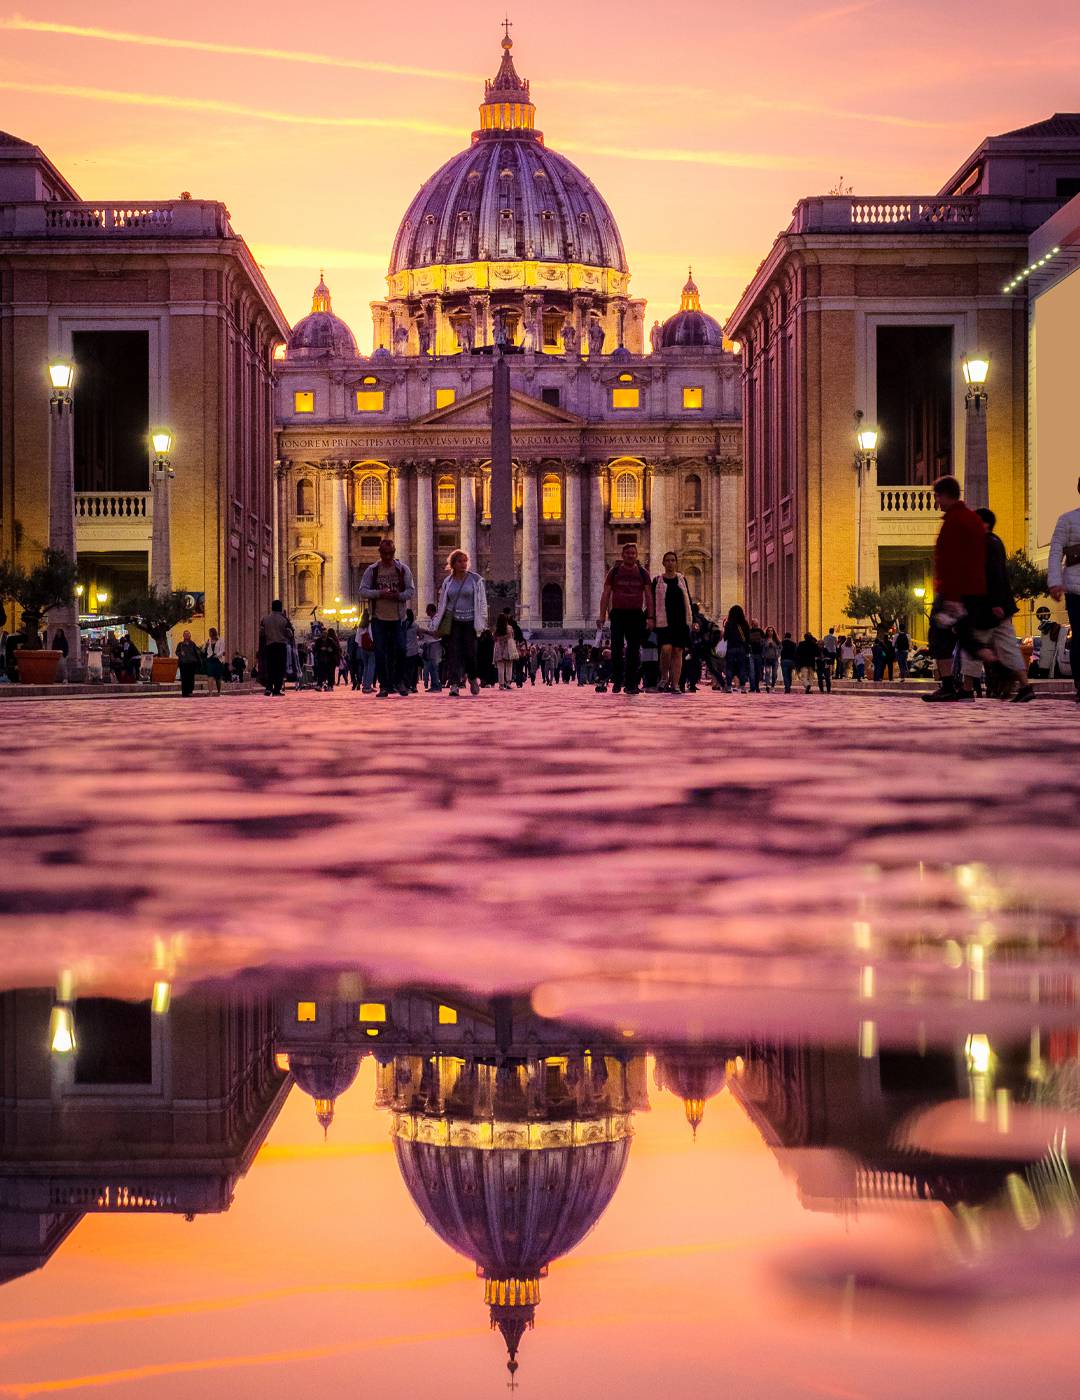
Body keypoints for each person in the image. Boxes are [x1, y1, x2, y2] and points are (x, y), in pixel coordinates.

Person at [923, 475, 987, 703]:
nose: (936, 501)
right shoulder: (973, 519)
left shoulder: (954, 522)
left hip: (953, 592)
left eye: (937, 496)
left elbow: (949, 561)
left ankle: (948, 685)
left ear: (946, 495)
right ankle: (969, 685)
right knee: (968, 639)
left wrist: (950, 596)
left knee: (939, 636)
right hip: (973, 591)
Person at [974, 507, 1035, 703]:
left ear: (984, 523)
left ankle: (968, 688)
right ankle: (1024, 686)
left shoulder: (987, 543)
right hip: (996, 607)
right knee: (1008, 648)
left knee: (974, 646)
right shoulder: (995, 541)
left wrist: (996, 603)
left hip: (992, 609)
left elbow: (994, 575)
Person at [358, 537, 416, 698]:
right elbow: (362, 591)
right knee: (380, 652)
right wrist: (379, 593)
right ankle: (384, 685)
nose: (388, 557)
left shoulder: (403, 570)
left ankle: (399, 682)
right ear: (380, 553)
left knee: (401, 650)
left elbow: (410, 591)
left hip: (398, 618)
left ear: (394, 552)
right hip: (378, 618)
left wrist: (398, 595)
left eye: (391, 553)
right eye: (385, 553)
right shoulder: (372, 570)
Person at [597, 542, 654, 696]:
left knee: (633, 651)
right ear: (622, 555)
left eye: (633, 553)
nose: (631, 555)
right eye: (628, 553)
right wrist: (602, 615)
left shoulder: (643, 573)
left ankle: (631, 684)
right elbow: (605, 594)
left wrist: (650, 617)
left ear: (637, 555)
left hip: (636, 614)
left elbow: (649, 596)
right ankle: (617, 679)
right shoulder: (614, 572)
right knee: (616, 649)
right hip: (618, 614)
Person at [431, 549, 487, 697]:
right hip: (454, 622)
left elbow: (482, 603)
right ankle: (454, 684)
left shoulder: (476, 580)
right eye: (460, 561)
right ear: (453, 564)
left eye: (465, 561)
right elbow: (442, 603)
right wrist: (436, 623)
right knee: (453, 654)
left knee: (470, 653)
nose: (463, 564)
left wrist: (483, 621)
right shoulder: (447, 582)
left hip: (470, 622)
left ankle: (472, 678)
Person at [1048, 474, 1080, 703]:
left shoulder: (1066, 519)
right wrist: (1055, 581)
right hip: (1076, 589)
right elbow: (1056, 552)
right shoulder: (1067, 520)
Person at [653, 552, 693, 695]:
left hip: (680, 621)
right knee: (666, 649)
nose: (670, 563)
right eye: (667, 560)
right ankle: (664, 676)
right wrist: (650, 618)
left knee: (678, 651)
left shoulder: (682, 579)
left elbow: (688, 599)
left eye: (672, 560)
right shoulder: (657, 580)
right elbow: (651, 602)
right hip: (664, 621)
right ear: (663, 563)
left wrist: (693, 620)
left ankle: (675, 684)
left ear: (676, 562)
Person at [259, 599, 294, 696]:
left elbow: (261, 633)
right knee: (280, 668)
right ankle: (277, 689)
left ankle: (268, 688)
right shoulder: (284, 619)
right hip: (280, 646)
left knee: (270, 668)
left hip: (269, 646)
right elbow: (290, 633)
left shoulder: (265, 619)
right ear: (280, 608)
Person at [723, 605, 751, 693]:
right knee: (742, 667)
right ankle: (742, 686)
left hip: (731, 647)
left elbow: (725, 637)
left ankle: (729, 686)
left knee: (730, 667)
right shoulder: (744, 623)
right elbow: (748, 637)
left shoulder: (729, 623)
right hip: (741, 648)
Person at [418, 603, 443, 692]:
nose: (426, 612)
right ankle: (434, 684)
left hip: (435, 643)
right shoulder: (432, 620)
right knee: (432, 666)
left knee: (434, 666)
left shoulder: (436, 619)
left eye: (427, 610)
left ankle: (436, 685)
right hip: (431, 644)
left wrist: (424, 631)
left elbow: (434, 632)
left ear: (431, 610)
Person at [493, 614, 516, 689]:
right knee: (509, 666)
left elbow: (494, 638)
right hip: (508, 648)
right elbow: (512, 637)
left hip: (499, 648)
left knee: (500, 667)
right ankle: (508, 682)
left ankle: (501, 684)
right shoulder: (509, 628)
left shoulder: (496, 629)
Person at [175, 630, 200, 697]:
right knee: (184, 678)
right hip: (183, 663)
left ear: (190, 635)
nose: (186, 636)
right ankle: (184, 692)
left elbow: (197, 653)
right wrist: (180, 653)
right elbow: (177, 652)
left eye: (188, 634)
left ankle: (190, 691)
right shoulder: (180, 644)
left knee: (191, 678)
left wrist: (197, 661)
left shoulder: (193, 644)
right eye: (185, 634)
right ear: (183, 636)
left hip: (191, 663)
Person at [203, 627, 226, 695]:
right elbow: (203, 650)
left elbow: (222, 650)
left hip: (218, 660)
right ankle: (210, 693)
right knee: (210, 676)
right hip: (210, 659)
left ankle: (219, 691)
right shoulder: (208, 640)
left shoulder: (220, 640)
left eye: (210, 632)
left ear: (214, 633)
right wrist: (206, 646)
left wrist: (217, 655)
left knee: (218, 678)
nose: (210, 634)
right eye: (209, 633)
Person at [762, 627, 780, 692]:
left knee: (774, 674)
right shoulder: (764, 640)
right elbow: (762, 648)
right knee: (767, 672)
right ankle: (767, 685)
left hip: (774, 659)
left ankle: (773, 686)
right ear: (767, 632)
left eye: (771, 631)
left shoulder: (776, 640)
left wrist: (778, 654)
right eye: (769, 631)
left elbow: (780, 647)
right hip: (767, 659)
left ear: (773, 632)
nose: (770, 632)